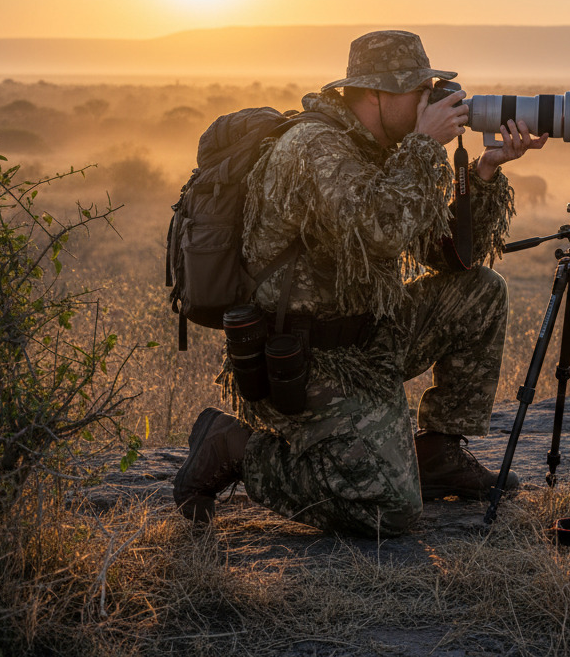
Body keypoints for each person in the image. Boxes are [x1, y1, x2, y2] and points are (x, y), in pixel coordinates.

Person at [173, 30, 547, 535]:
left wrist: (483, 172)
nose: (430, 101)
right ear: (375, 94)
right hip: (303, 361)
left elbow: (446, 256)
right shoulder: (315, 149)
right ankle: (235, 449)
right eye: (419, 92)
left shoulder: (379, 147)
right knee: (390, 509)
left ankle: (437, 451)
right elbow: (381, 231)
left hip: (368, 337)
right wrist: (422, 145)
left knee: (479, 290)